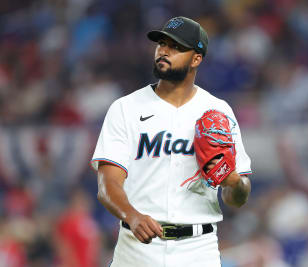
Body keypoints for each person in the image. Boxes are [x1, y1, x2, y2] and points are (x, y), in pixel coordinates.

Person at [91, 16, 252, 267]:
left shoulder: (219, 111)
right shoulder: (125, 108)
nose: (164, 51)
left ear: (196, 58)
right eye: (161, 44)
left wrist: (233, 181)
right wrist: (131, 215)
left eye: (176, 46)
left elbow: (237, 197)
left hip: (198, 249)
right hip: (137, 248)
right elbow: (107, 184)